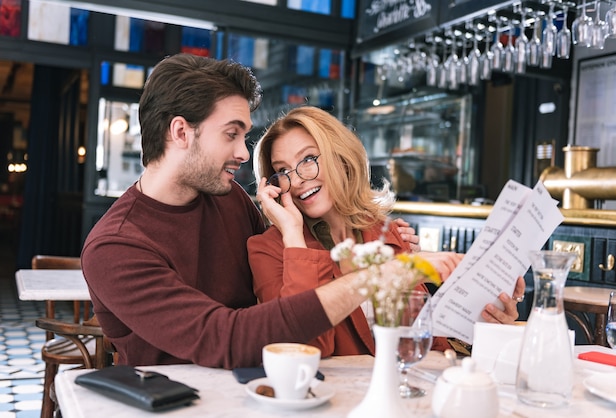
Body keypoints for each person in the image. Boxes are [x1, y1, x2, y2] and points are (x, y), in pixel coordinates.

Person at [80, 53, 421, 369]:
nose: (243, 153)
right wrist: (373, 279)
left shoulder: (229, 199)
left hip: (257, 388)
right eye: (231, 134)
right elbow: (224, 338)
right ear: (181, 132)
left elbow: (278, 291)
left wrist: (387, 242)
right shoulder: (115, 246)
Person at [247, 106, 525, 358]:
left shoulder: (385, 232)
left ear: (342, 158)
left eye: (308, 159)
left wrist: (486, 320)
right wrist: (294, 236)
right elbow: (302, 350)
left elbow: (425, 336)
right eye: (282, 171)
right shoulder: (267, 250)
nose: (295, 180)